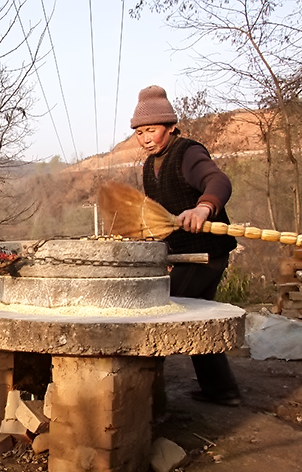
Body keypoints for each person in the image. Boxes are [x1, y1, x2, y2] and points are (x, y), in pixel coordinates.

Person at [130, 85, 241, 407]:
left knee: (163, 310)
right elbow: (155, 210)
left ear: (171, 127)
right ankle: (222, 390)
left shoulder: (188, 152)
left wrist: (203, 208)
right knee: (199, 316)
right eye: (140, 133)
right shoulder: (150, 166)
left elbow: (217, 181)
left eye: (152, 130)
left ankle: (141, 393)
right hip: (183, 254)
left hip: (207, 254)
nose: (146, 138)